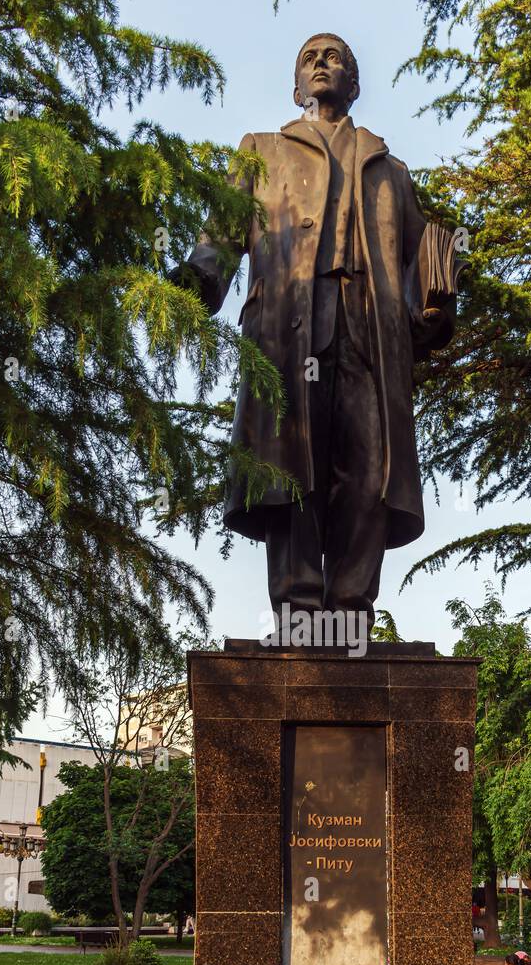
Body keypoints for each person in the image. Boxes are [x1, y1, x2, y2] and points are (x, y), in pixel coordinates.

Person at [176, 33, 462, 624]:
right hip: (290, 328)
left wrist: (432, 312)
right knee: (291, 468)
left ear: (354, 84)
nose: (323, 65)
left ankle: (352, 611)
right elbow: (221, 238)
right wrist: (195, 285)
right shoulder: (261, 152)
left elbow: (419, 264)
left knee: (369, 469)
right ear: (297, 86)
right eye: (310, 59)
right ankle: (300, 611)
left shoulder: (390, 170)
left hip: (369, 331)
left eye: (335, 59)